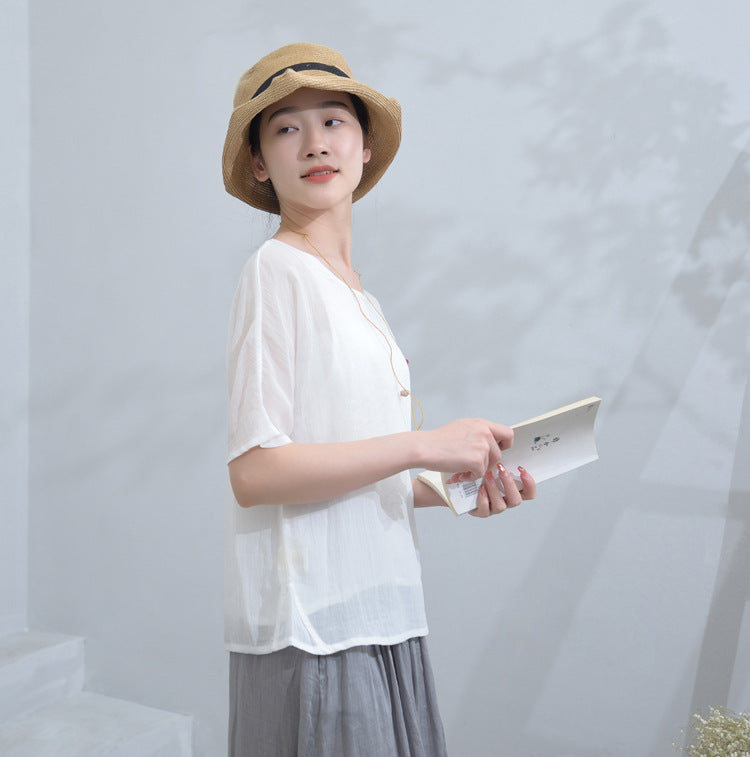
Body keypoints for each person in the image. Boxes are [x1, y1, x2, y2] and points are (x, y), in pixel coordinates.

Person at [222, 42, 537, 757]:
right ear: (260, 163)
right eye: (286, 128)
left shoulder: (359, 297)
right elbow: (256, 472)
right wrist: (426, 443)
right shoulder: (275, 270)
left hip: (381, 605)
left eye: (333, 121)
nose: (314, 142)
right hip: (315, 625)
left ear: (364, 148)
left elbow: (348, 465)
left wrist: (455, 487)